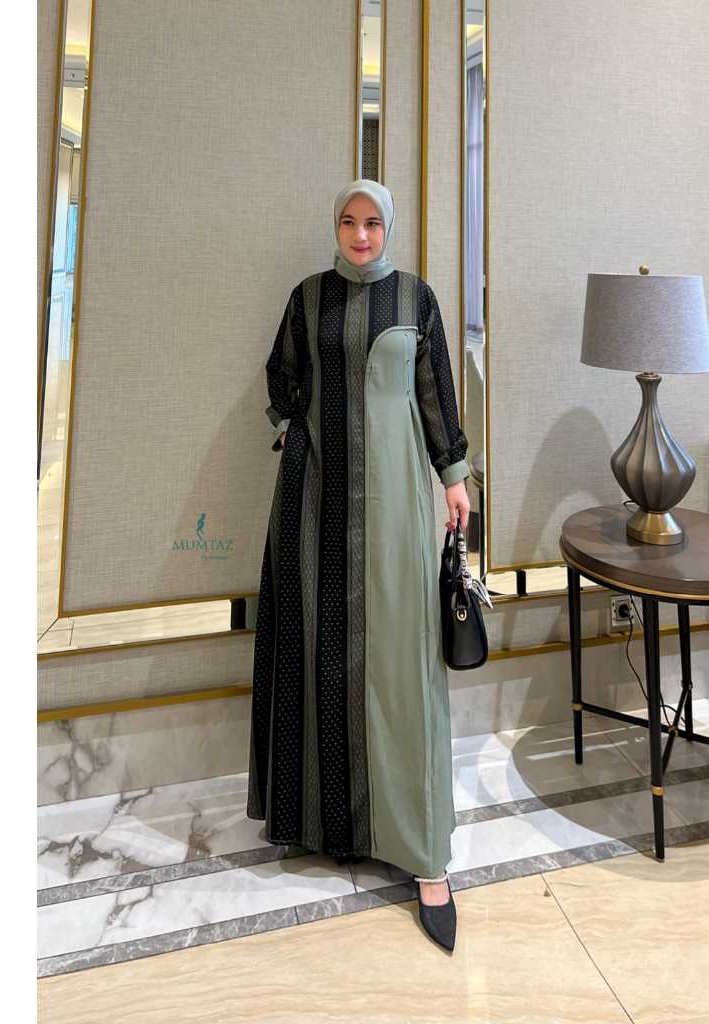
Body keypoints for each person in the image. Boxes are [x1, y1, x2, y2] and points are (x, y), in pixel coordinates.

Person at [246, 179, 469, 952]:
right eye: (348, 221)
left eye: (373, 222)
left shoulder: (415, 298)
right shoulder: (309, 298)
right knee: (316, 644)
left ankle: (424, 853)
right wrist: (291, 430)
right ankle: (324, 823)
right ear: (336, 227)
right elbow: (281, 375)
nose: (361, 234)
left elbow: (436, 392)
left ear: (389, 227)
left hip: (398, 502)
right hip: (313, 500)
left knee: (401, 662)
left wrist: (454, 476)